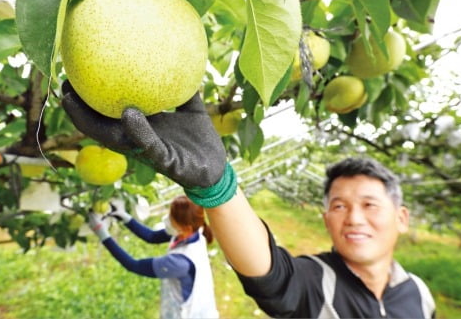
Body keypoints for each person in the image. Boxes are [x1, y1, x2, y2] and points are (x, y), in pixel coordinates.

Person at [61, 81, 436, 318]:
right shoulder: (316, 283)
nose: (353, 218)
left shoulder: (420, 296)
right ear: (325, 218)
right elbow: (268, 272)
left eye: (370, 205)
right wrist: (216, 187)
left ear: (401, 218)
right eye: (339, 205)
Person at [88, 195, 219, 319]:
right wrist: (125, 216)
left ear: (186, 227)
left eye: (171, 217)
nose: (167, 220)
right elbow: (151, 237)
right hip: (202, 306)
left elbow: (133, 265)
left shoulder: (179, 263)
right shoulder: (194, 233)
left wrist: (102, 233)